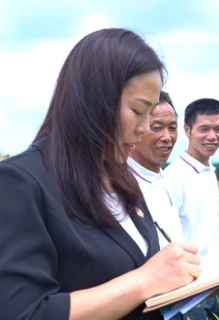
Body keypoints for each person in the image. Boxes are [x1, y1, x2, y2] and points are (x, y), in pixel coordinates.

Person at [0, 28, 203, 320]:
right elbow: (25, 312)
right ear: (95, 101)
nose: (145, 128)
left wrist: (186, 284)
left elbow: (139, 279)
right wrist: (145, 280)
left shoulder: (121, 179)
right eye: (138, 110)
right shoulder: (19, 183)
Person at [163, 98, 219, 319]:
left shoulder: (209, 171)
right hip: (192, 294)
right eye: (204, 129)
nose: (212, 136)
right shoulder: (174, 177)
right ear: (187, 130)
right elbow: (170, 244)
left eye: (218, 129)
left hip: (216, 285)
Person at [127, 90, 184, 249]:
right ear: (138, 129)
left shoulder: (166, 179)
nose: (167, 137)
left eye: (172, 128)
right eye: (157, 128)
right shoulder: (124, 187)